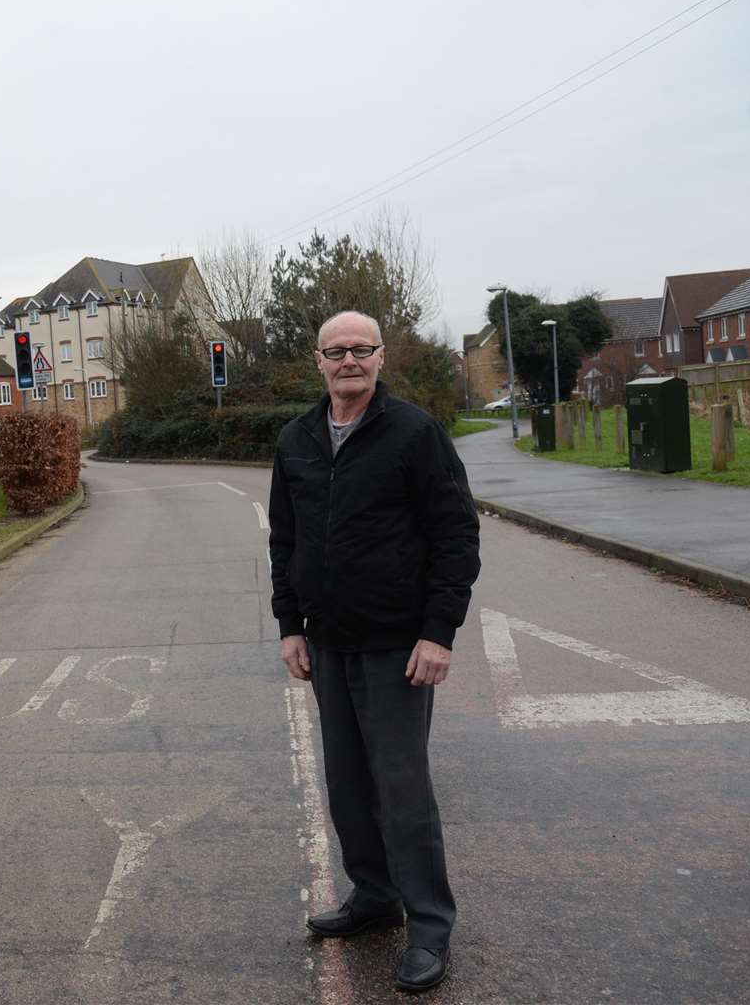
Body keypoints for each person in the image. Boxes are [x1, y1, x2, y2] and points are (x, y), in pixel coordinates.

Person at [268, 310, 480, 993]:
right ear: (319, 361)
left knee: (402, 789)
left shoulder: (414, 434)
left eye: (362, 349)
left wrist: (438, 632)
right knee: (348, 785)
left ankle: (428, 925)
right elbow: (285, 540)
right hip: (327, 641)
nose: (350, 360)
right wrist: (289, 625)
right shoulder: (297, 439)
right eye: (337, 350)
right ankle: (373, 896)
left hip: (398, 645)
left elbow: (456, 536)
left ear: (382, 358)